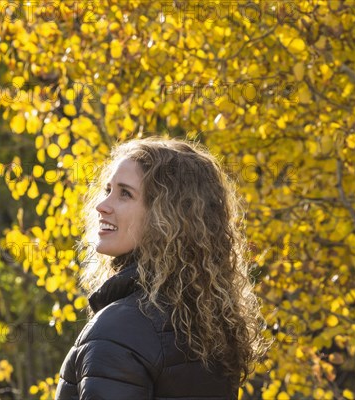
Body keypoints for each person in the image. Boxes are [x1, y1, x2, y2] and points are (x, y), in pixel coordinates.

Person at [55, 136, 269, 400]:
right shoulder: (208, 327)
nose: (102, 205)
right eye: (107, 189)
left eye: (125, 193)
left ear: (164, 216)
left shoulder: (116, 331)